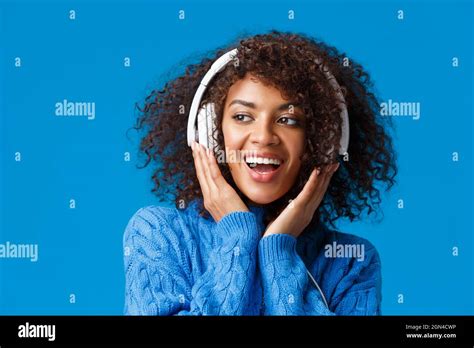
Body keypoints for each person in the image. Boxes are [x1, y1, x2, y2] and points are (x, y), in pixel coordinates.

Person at [123, 30, 397, 315]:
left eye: (288, 120)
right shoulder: (159, 234)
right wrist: (237, 238)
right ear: (209, 131)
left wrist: (279, 252)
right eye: (242, 117)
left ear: (323, 142)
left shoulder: (352, 262)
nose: (264, 137)